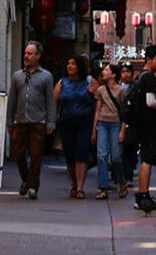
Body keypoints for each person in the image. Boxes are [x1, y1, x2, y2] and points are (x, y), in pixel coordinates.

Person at [7, 41, 56, 199]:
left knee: (36, 156)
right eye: (25, 53)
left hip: (38, 121)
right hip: (20, 121)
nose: (26, 56)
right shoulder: (17, 76)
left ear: (38, 56)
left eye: (29, 54)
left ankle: (33, 186)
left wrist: (50, 122)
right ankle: (25, 179)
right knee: (18, 154)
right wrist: (9, 122)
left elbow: (50, 101)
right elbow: (12, 100)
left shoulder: (46, 76)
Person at [133, 44, 156, 213]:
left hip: (142, 123)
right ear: (148, 59)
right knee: (147, 159)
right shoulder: (148, 78)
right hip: (148, 124)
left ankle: (142, 196)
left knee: (145, 160)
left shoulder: (140, 76)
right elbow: (150, 102)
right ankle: (144, 195)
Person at [54, 55, 95, 199]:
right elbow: (54, 102)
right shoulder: (62, 82)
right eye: (68, 63)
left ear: (79, 67)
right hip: (66, 123)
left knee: (82, 153)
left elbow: (99, 99)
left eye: (73, 64)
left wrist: (93, 93)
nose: (70, 66)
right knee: (69, 155)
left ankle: (80, 188)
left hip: (84, 122)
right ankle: (73, 184)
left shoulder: (89, 81)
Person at [92, 62, 127, 200]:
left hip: (116, 124)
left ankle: (121, 181)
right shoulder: (100, 90)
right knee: (101, 155)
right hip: (102, 123)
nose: (104, 72)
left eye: (107, 70)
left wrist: (123, 129)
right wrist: (94, 130)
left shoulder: (121, 90)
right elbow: (97, 110)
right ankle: (103, 187)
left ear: (113, 75)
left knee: (116, 156)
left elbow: (124, 112)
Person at [119, 63, 138, 186]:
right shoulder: (117, 88)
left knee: (131, 149)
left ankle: (128, 176)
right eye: (123, 72)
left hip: (132, 123)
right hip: (119, 122)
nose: (125, 74)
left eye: (128, 71)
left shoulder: (135, 87)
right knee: (121, 150)